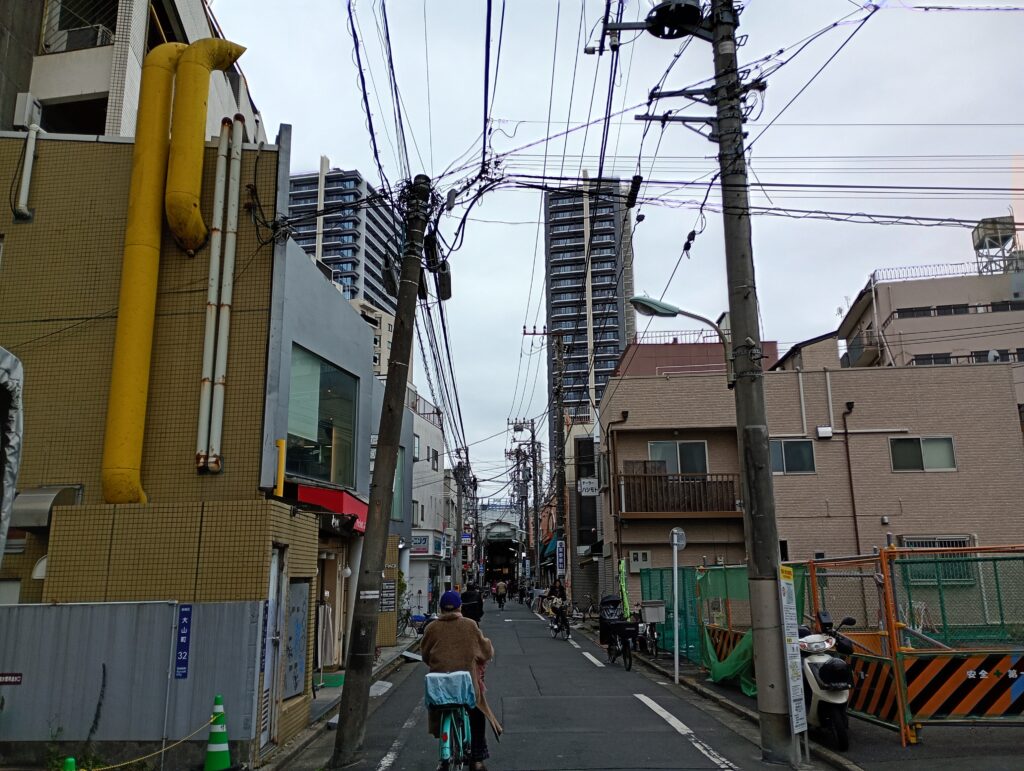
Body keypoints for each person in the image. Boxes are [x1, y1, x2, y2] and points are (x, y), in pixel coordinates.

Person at [422, 590, 502, 771]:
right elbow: (486, 652)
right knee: (477, 712)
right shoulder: (469, 625)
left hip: (439, 686)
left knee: (440, 708)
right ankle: (477, 760)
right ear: (460, 607)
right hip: (465, 685)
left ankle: (444, 753)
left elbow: (425, 656)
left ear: (441, 608)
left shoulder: (431, 628)